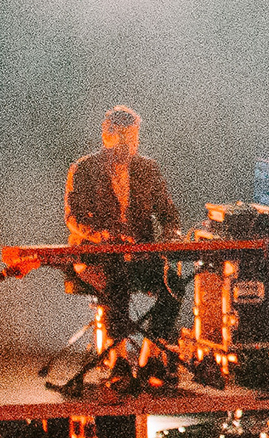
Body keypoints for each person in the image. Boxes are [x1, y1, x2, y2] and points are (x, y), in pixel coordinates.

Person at [64, 105, 185, 389]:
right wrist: (103, 236)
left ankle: (150, 358)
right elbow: (73, 217)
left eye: (132, 138)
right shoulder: (83, 169)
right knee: (116, 280)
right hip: (94, 258)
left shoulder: (148, 169)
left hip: (137, 258)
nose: (128, 145)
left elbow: (168, 212)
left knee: (175, 285)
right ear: (106, 136)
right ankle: (117, 361)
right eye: (122, 138)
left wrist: (172, 233)